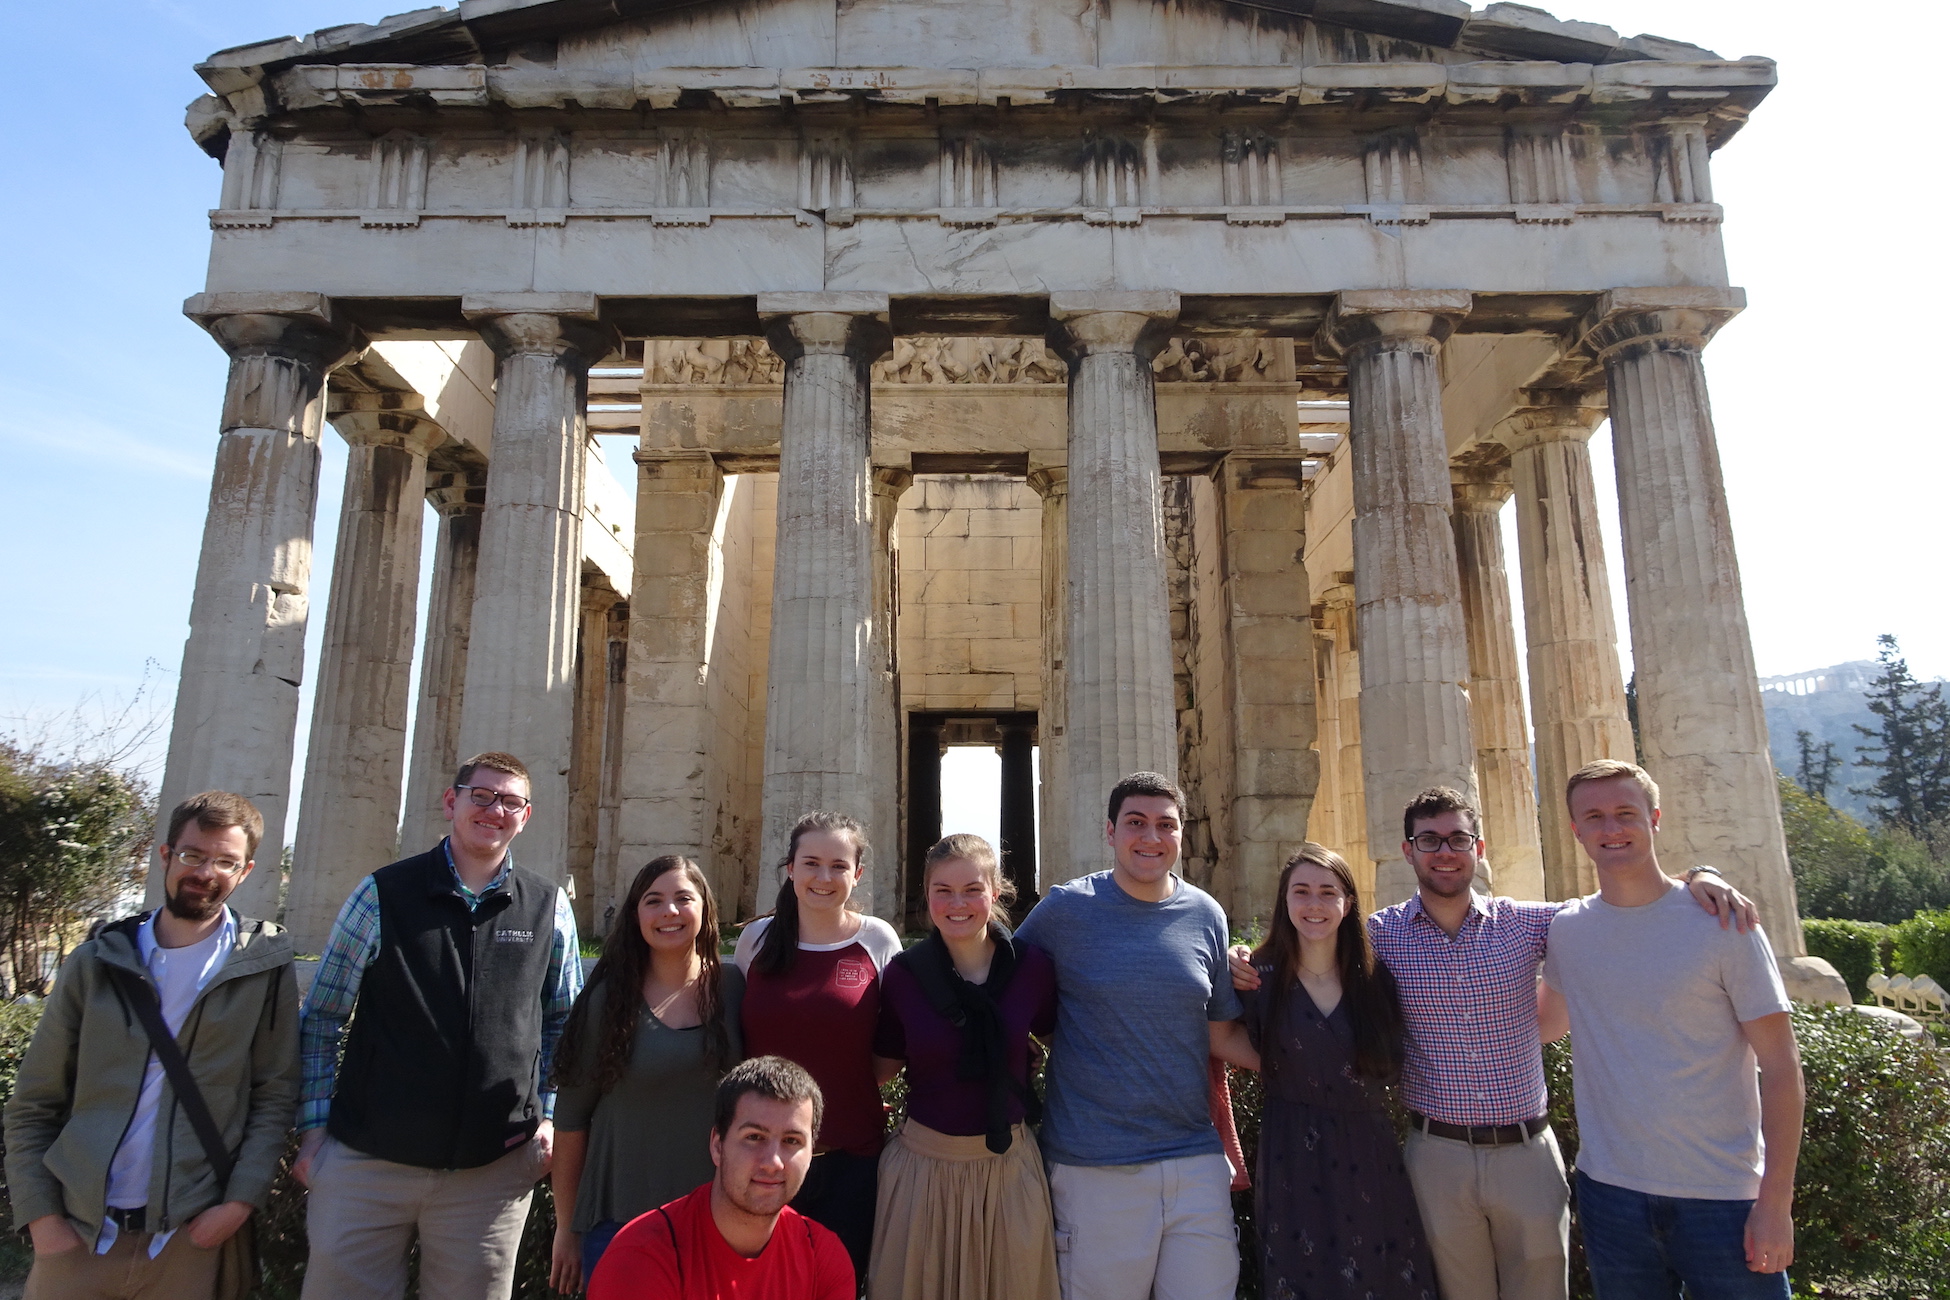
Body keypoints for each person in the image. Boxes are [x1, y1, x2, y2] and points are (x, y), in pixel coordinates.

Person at [1229, 787, 1760, 1300]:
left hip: (1526, 1153)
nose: (1445, 852)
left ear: (1478, 849)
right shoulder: (1380, 936)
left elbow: (1618, 908)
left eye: (1458, 839)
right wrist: (1240, 959)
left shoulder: (1532, 923)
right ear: (1407, 851)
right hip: (1436, 1156)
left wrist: (1698, 876)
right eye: (1430, 840)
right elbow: (1311, 947)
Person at [294, 751, 584, 1300]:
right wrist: (313, 1133)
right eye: (482, 795)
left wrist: (547, 1118)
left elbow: (565, 1022)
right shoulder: (381, 893)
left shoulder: (548, 907)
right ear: (451, 801)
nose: (495, 810)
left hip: (490, 1173)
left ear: (526, 816)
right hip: (366, 1165)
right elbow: (324, 1015)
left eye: (510, 801)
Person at [3, 791, 300, 1300]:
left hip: (188, 1242)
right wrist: (42, 1218)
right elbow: (33, 1103)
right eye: (193, 855)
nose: (206, 872)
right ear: (165, 856)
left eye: (225, 861)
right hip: (77, 1237)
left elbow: (274, 1095)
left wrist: (237, 1206)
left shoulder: (265, 968)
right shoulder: (96, 961)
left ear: (245, 871)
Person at [1546, 759, 1803, 1299]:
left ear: (1655, 818)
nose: (1610, 828)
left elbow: (1781, 1069)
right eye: (1593, 817)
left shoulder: (1724, 924)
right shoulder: (1568, 931)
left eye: (1625, 813)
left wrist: (1775, 1205)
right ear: (1575, 830)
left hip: (1723, 1197)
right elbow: (1542, 1024)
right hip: (1610, 1194)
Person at [1013, 771, 1259, 1300]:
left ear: (1181, 834)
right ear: (1110, 831)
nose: (1151, 838)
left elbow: (1219, 1034)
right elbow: (1005, 990)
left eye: (1165, 825)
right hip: (1094, 1164)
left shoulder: (1205, 914)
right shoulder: (1065, 910)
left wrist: (1321, 1061)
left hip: (1194, 1156)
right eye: (1136, 823)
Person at [867, 834, 1060, 1300]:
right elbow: (879, 1069)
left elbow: (1072, 1046)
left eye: (973, 889)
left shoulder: (1033, 969)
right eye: (943, 890)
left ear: (996, 892)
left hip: (1009, 1173)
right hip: (920, 1175)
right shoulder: (902, 976)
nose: (958, 903)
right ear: (926, 893)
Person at [1243, 843, 1438, 1300]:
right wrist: (1288, 1068)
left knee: (1380, 1272)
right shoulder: (1257, 975)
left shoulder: (1375, 978)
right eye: (1302, 891)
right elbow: (1218, 1034)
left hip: (1367, 1151)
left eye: (1328, 892)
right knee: (1301, 1273)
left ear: (1348, 903)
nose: (1314, 904)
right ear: (1284, 901)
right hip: (1290, 1148)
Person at [551, 855, 746, 1293]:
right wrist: (567, 1228)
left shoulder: (734, 988)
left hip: (718, 1217)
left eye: (683, 898)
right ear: (636, 914)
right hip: (622, 1218)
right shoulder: (608, 1002)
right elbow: (570, 1121)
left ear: (705, 908)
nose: (669, 912)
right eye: (653, 901)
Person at [735, 811, 903, 1279]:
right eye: (810, 863)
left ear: (857, 874)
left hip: (850, 1156)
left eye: (838, 866)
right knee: (760, 1284)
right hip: (762, 1159)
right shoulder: (757, 939)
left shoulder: (878, 940)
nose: (823, 878)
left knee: (839, 1282)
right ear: (790, 869)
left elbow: (894, 1042)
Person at [588, 1055, 855, 1300]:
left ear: (811, 1153)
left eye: (791, 1141)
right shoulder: (641, 1257)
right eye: (754, 1137)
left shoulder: (822, 1257)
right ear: (717, 1145)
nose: (773, 1162)